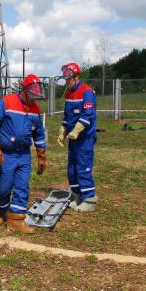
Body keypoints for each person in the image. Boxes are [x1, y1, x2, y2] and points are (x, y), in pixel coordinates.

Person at [0, 74, 47, 234]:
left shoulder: (35, 109)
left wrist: (41, 157)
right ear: (23, 90)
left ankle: (16, 219)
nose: (34, 98)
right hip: (6, 154)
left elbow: (39, 134)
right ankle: (0, 210)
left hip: (24, 154)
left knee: (22, 186)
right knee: (4, 186)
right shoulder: (7, 102)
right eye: (32, 94)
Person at [57, 62, 97, 212]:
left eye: (69, 79)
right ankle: (78, 195)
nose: (66, 82)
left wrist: (77, 130)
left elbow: (88, 115)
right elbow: (68, 115)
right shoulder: (69, 93)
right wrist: (63, 130)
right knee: (72, 168)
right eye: (65, 79)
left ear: (76, 76)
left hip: (84, 138)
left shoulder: (87, 92)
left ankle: (89, 198)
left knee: (83, 167)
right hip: (73, 139)